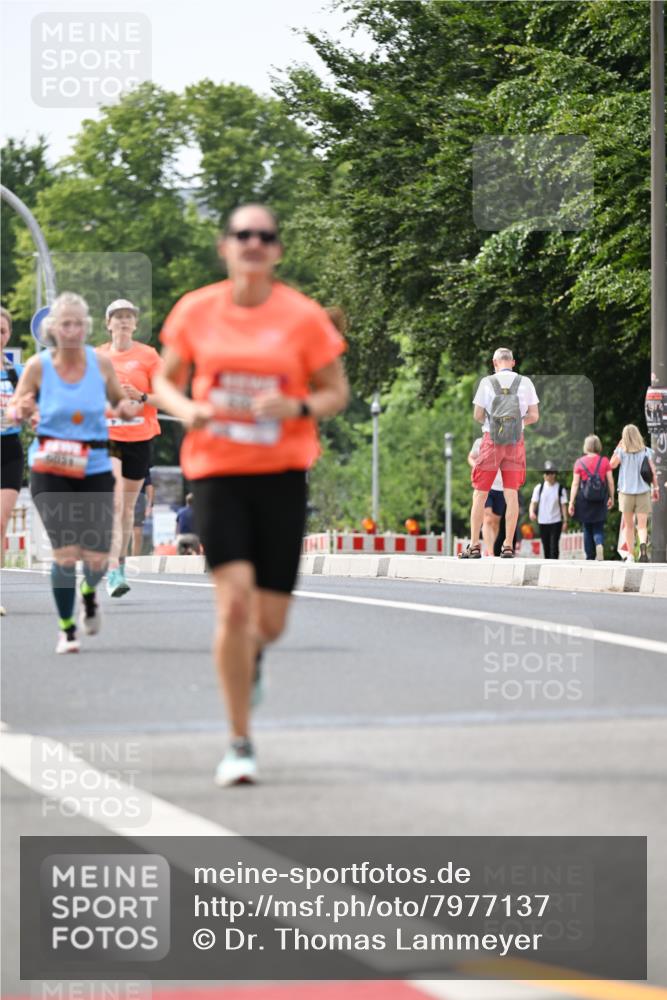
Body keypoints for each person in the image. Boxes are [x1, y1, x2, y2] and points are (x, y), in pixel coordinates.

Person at [154, 203, 349, 786]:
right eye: (243, 234)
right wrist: (188, 409)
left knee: (270, 621)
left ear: (277, 250)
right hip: (215, 471)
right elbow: (165, 376)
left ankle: (254, 654)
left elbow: (335, 389)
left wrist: (299, 407)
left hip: (281, 474)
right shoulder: (196, 310)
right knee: (232, 605)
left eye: (265, 236)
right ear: (227, 247)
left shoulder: (303, 317)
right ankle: (239, 742)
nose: (254, 243)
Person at [9, 292, 138, 652]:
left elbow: (117, 400)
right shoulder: (38, 366)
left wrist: (126, 410)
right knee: (66, 554)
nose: (72, 330)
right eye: (65, 323)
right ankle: (66, 629)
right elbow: (17, 405)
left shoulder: (100, 364)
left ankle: (89, 594)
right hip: (51, 465)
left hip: (94, 465)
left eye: (78, 324)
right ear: (53, 329)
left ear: (87, 327)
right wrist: (20, 409)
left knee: (97, 558)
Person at [97, 299, 162, 597]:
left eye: (129, 317)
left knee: (126, 511)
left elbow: (165, 397)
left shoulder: (148, 356)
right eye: (118, 317)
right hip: (107, 436)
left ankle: (118, 566)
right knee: (115, 502)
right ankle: (112, 571)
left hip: (139, 438)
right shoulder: (96, 357)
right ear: (108, 324)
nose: (123, 322)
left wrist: (141, 395)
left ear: (135, 324)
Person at [463, 347, 539, 558]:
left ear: (494, 363)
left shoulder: (487, 383)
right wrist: (517, 423)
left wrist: (493, 422)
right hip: (515, 442)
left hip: (491, 441)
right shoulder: (525, 383)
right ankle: (507, 545)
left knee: (480, 493)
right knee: (511, 494)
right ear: (513, 362)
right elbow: (534, 415)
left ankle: (475, 545)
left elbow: (478, 414)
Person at [1, 307, 25, 614]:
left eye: (2, 331)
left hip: (9, 450)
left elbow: (31, 407)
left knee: (1, 522)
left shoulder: (15, 372)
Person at [609, 424, 658, 562]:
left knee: (629, 526)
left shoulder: (621, 452)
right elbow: (653, 472)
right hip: (643, 493)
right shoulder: (647, 452)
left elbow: (611, 465)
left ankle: (630, 555)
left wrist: (617, 448)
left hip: (626, 493)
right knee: (642, 526)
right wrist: (656, 489)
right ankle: (643, 549)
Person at [568, 435, 614, 560]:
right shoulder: (604, 461)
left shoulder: (579, 462)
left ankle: (590, 556)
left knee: (587, 528)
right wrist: (612, 497)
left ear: (586, 446)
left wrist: (571, 502)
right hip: (600, 499)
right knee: (598, 526)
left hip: (584, 499)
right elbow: (610, 481)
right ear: (598, 446)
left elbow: (575, 483)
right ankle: (599, 543)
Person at [467, 436, 506, 556]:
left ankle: (490, 546)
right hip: (487, 486)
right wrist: (476, 465)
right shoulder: (480, 441)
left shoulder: (507, 443)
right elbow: (471, 457)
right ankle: (490, 551)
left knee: (495, 522)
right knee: (487, 518)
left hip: (502, 488)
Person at [529, 461, 568, 559]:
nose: (548, 475)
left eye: (550, 473)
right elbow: (533, 502)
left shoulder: (560, 489)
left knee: (554, 545)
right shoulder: (539, 488)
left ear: (554, 474)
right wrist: (531, 512)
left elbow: (563, 506)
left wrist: (565, 521)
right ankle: (547, 564)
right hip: (543, 521)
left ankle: (555, 565)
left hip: (556, 521)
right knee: (545, 545)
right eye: (546, 473)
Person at [132, 469, 154, 556]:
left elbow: (149, 485)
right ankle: (121, 561)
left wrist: (149, 505)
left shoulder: (143, 463)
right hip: (122, 500)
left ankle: (134, 559)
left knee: (137, 533)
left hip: (138, 503)